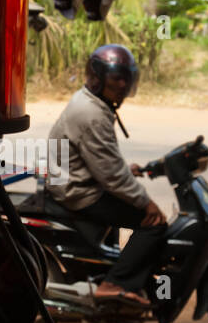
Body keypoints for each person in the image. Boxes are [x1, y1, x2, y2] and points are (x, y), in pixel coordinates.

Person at [47, 44, 167, 306]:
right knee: (155, 223)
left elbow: (103, 159)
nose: (123, 84)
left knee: (128, 204)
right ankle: (115, 284)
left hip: (76, 180)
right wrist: (147, 203)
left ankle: (110, 271)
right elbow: (111, 177)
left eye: (127, 78)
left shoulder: (91, 101)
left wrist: (127, 171)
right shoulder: (91, 113)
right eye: (116, 78)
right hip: (79, 191)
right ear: (98, 78)